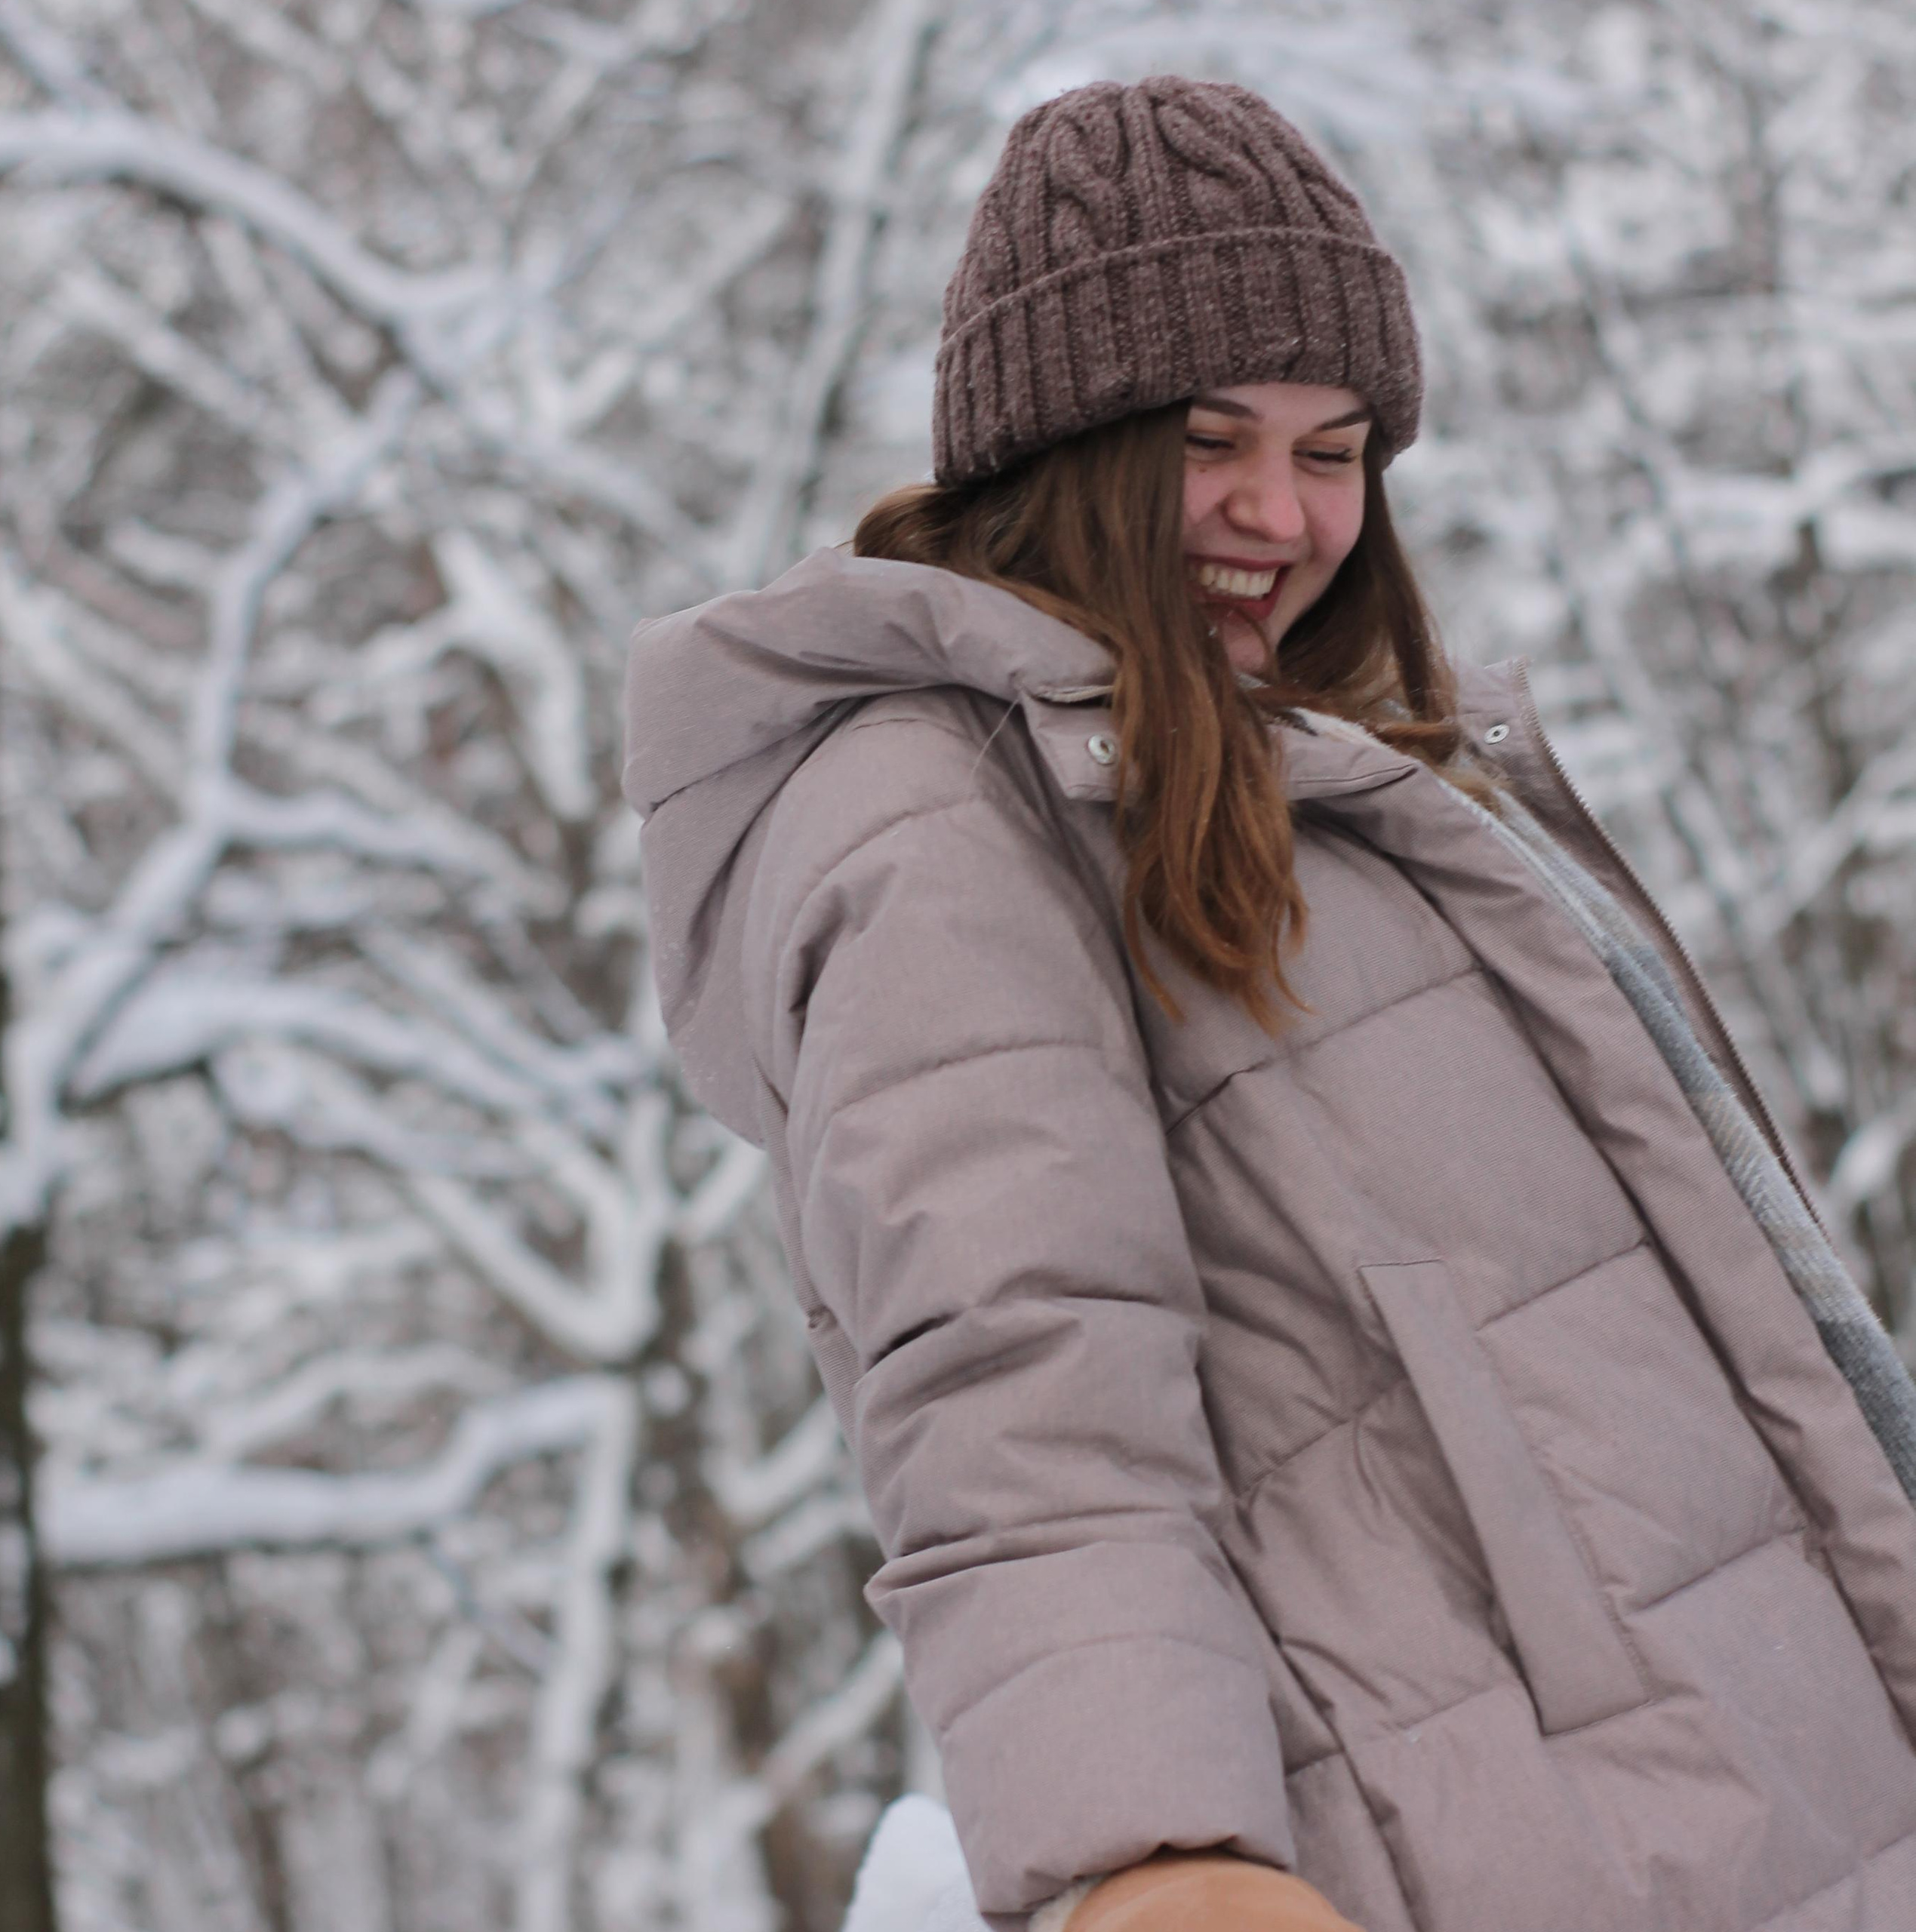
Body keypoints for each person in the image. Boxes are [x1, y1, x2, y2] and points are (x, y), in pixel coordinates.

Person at [623, 75, 1916, 1932]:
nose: (1275, 510)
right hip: (1502, 1832)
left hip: (1756, 1787)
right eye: (1207, 438)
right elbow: (1016, 1369)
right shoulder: (942, 815)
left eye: (1332, 451)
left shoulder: (1342, 775)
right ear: (1054, 447)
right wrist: (1150, 1855)